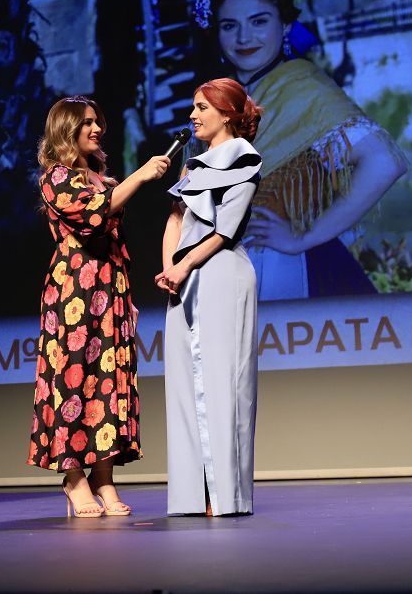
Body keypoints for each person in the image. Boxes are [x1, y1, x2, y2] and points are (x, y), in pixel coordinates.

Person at [195, 0, 408, 300]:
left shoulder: (304, 88)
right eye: (229, 25)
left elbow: (384, 162)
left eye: (259, 21)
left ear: (285, 26)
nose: (244, 37)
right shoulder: (217, 99)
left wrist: (304, 239)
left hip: (284, 270)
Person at [27, 95, 170, 518]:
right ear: (65, 130)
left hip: (110, 291)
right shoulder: (56, 178)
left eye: (97, 122)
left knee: (110, 386)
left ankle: (104, 479)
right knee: (72, 382)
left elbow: (114, 240)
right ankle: (73, 480)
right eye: (87, 123)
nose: (96, 129)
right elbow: (92, 217)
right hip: (74, 294)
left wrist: (126, 298)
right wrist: (141, 176)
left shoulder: (101, 178)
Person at [157, 78, 262, 517]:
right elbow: (176, 220)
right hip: (184, 280)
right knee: (184, 385)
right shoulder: (192, 167)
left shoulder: (246, 162)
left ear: (226, 112)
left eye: (202, 107)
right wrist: (169, 270)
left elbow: (224, 231)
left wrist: (184, 266)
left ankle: (225, 496)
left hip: (220, 276)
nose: (193, 115)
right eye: (193, 107)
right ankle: (192, 495)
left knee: (224, 383)